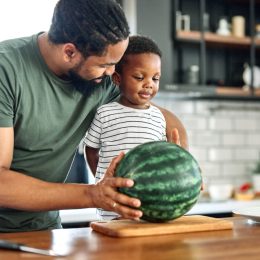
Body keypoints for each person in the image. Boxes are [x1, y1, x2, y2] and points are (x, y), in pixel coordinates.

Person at [0, 0, 187, 232]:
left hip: (45, 229)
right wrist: (93, 193)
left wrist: (184, 163)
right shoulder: (6, 69)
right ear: (70, 52)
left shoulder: (100, 81)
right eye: (105, 65)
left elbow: (164, 117)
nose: (111, 74)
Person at [84, 35, 168, 220]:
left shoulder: (158, 117)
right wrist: (102, 182)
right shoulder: (105, 113)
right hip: (112, 204)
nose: (149, 84)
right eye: (139, 77)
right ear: (117, 78)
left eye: (155, 78)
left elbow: (161, 158)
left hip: (147, 203)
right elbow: (91, 150)